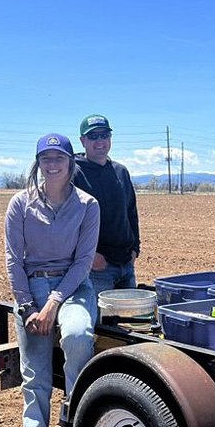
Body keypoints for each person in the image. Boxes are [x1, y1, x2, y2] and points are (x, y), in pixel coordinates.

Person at [5, 133, 99, 427]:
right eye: (46, 157)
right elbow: (13, 261)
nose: (53, 163)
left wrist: (54, 303)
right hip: (31, 290)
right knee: (36, 384)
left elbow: (83, 261)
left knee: (77, 334)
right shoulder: (20, 204)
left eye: (59, 156)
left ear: (70, 162)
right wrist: (29, 307)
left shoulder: (87, 205)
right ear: (38, 163)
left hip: (72, 288)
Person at [73, 114, 140, 298]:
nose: (100, 141)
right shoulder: (74, 173)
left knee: (130, 322)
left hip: (126, 264)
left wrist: (135, 249)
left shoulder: (121, 171)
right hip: (98, 268)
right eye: (93, 136)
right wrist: (91, 256)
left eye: (104, 135)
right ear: (82, 140)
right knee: (99, 324)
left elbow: (131, 213)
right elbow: (67, 223)